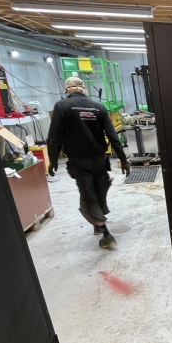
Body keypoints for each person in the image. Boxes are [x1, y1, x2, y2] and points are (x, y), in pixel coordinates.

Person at [47, 77, 130, 248]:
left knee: (88, 196)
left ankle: (106, 234)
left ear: (67, 89)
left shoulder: (62, 106)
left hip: (79, 161)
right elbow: (113, 136)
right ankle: (97, 225)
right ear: (83, 88)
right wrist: (123, 160)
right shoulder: (98, 107)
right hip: (100, 160)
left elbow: (55, 137)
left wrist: (53, 160)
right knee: (99, 191)